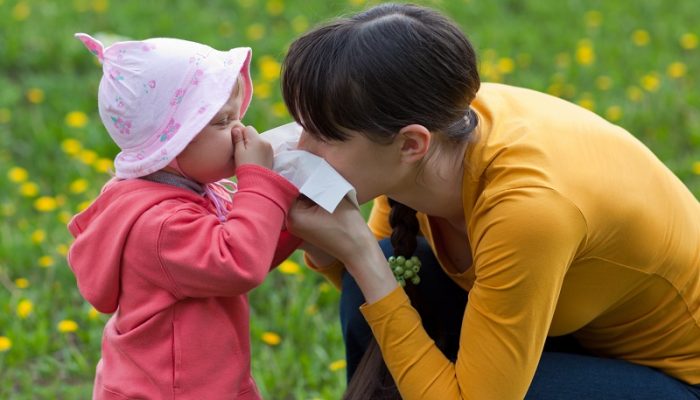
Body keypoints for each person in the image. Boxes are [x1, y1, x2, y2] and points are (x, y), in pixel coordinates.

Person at [281, 3, 700, 399]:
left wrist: (362, 257)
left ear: (411, 143)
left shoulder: (528, 206)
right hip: (575, 334)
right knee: (383, 269)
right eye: (302, 127)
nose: (302, 148)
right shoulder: (437, 121)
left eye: (325, 135)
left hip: (677, 379)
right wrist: (327, 246)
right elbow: (374, 297)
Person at [67, 33, 300, 399]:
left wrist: (292, 219)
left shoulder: (182, 195)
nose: (241, 131)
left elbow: (248, 247)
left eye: (237, 116)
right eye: (223, 122)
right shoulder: (161, 225)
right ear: (172, 140)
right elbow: (239, 262)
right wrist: (259, 182)